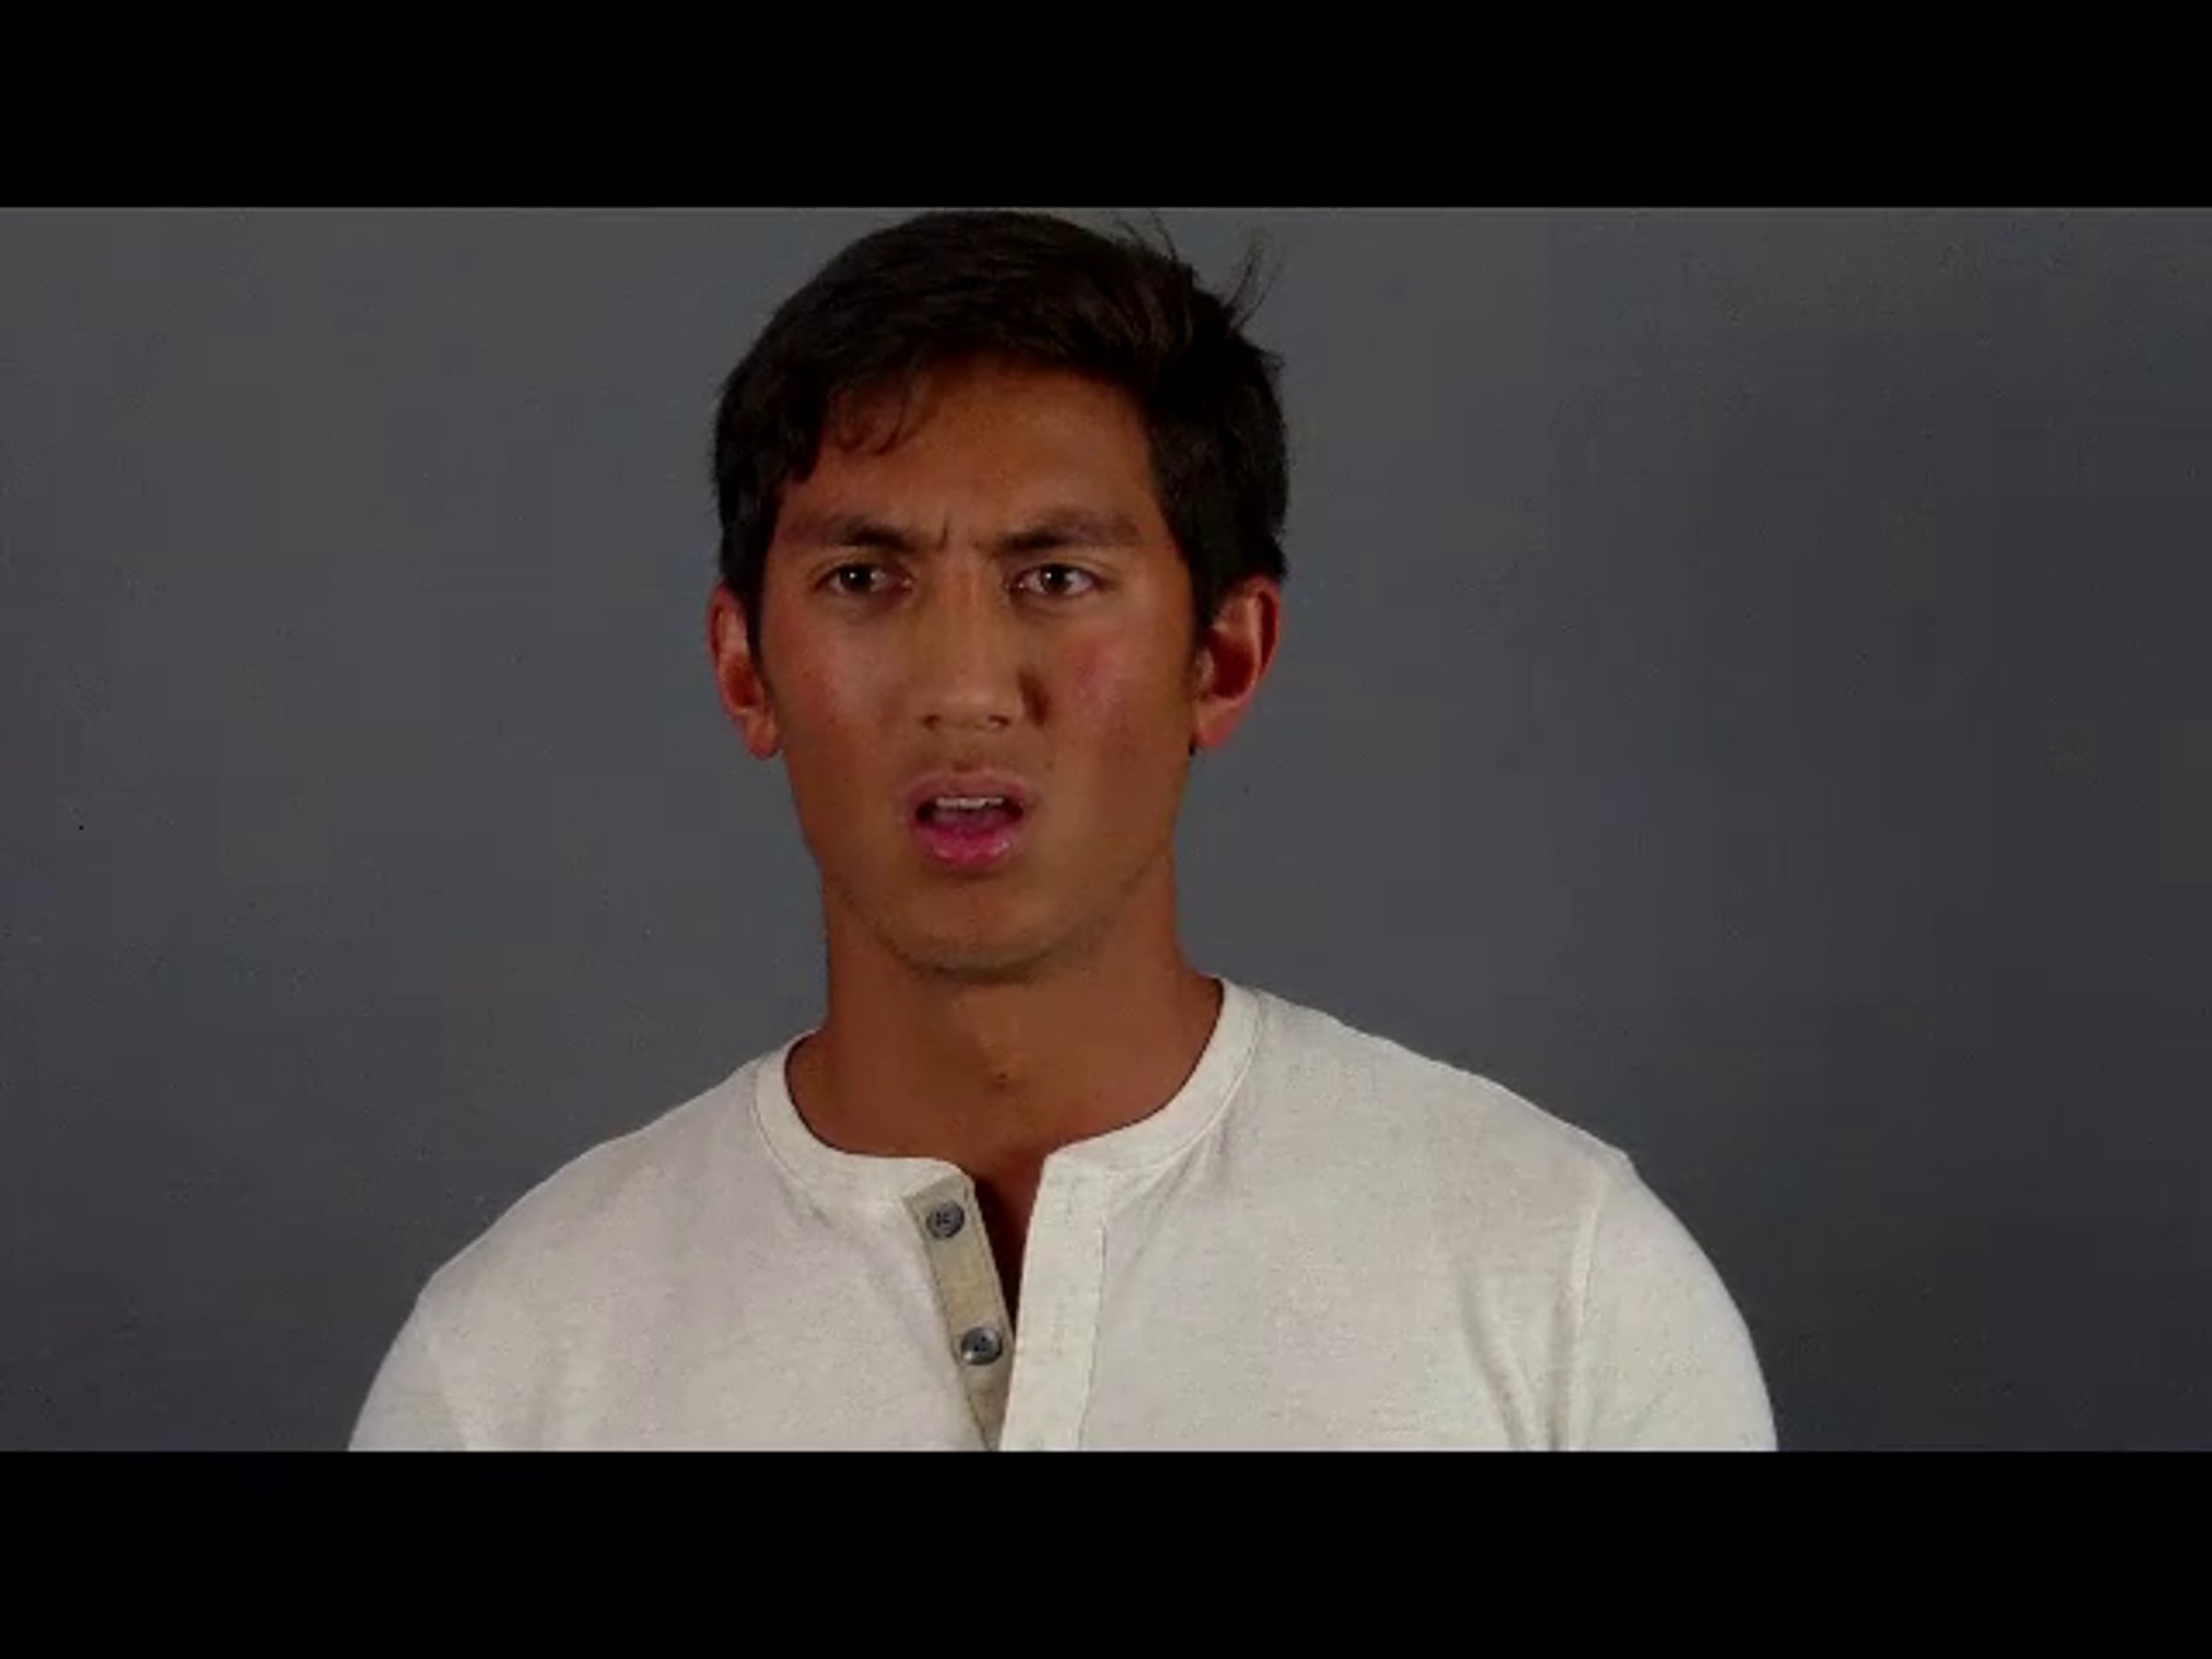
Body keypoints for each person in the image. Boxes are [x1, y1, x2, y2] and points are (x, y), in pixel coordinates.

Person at [350, 208, 1776, 1451]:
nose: (967, 688)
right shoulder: (516, 1365)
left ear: (1224, 657)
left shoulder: (1563, 1288)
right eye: (865, 579)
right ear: (744, 670)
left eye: (1056, 577)